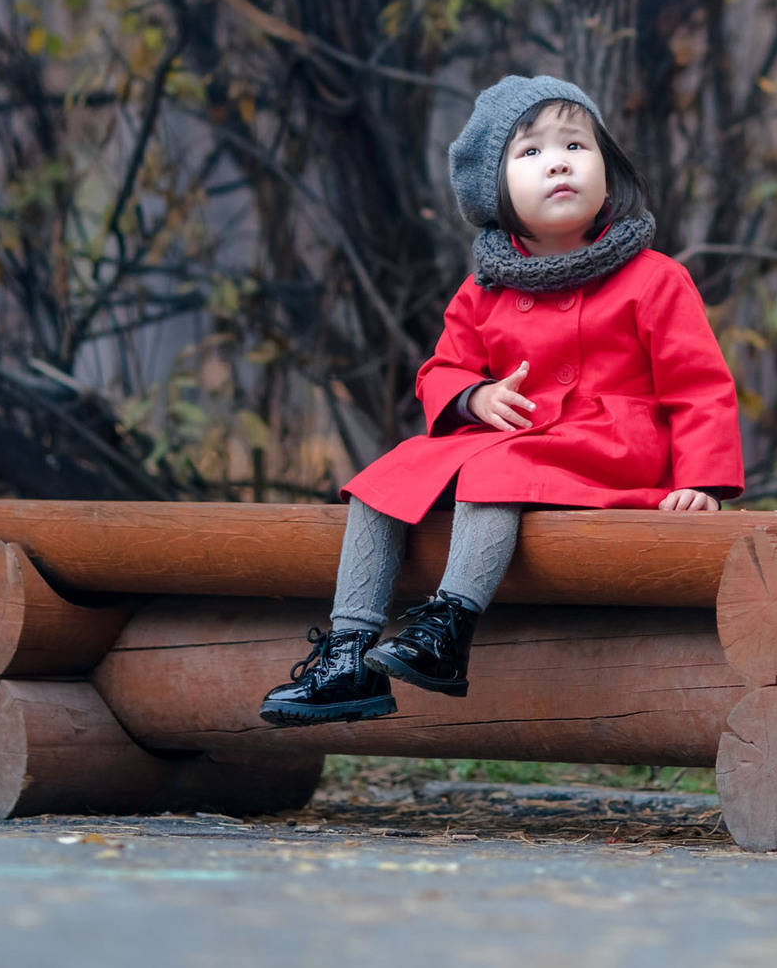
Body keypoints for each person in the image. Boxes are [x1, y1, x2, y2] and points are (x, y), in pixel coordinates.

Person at [259, 74, 744, 725]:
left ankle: (446, 629)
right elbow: (441, 368)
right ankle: (348, 654)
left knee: (494, 468)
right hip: (519, 443)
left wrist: (700, 481)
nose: (559, 161)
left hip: (612, 447)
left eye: (577, 144)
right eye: (531, 152)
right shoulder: (484, 288)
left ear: (609, 172)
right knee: (384, 478)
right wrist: (475, 395)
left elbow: (699, 384)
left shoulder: (656, 278)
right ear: (495, 189)